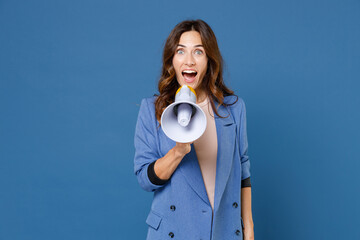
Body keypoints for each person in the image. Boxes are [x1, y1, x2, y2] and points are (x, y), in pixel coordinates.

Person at [134, 19, 254, 240]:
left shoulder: (234, 109)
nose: (189, 61)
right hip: (174, 232)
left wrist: (249, 229)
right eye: (181, 52)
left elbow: (243, 172)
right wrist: (178, 151)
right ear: (172, 60)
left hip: (223, 231)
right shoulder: (152, 110)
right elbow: (145, 179)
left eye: (198, 52)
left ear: (209, 60)